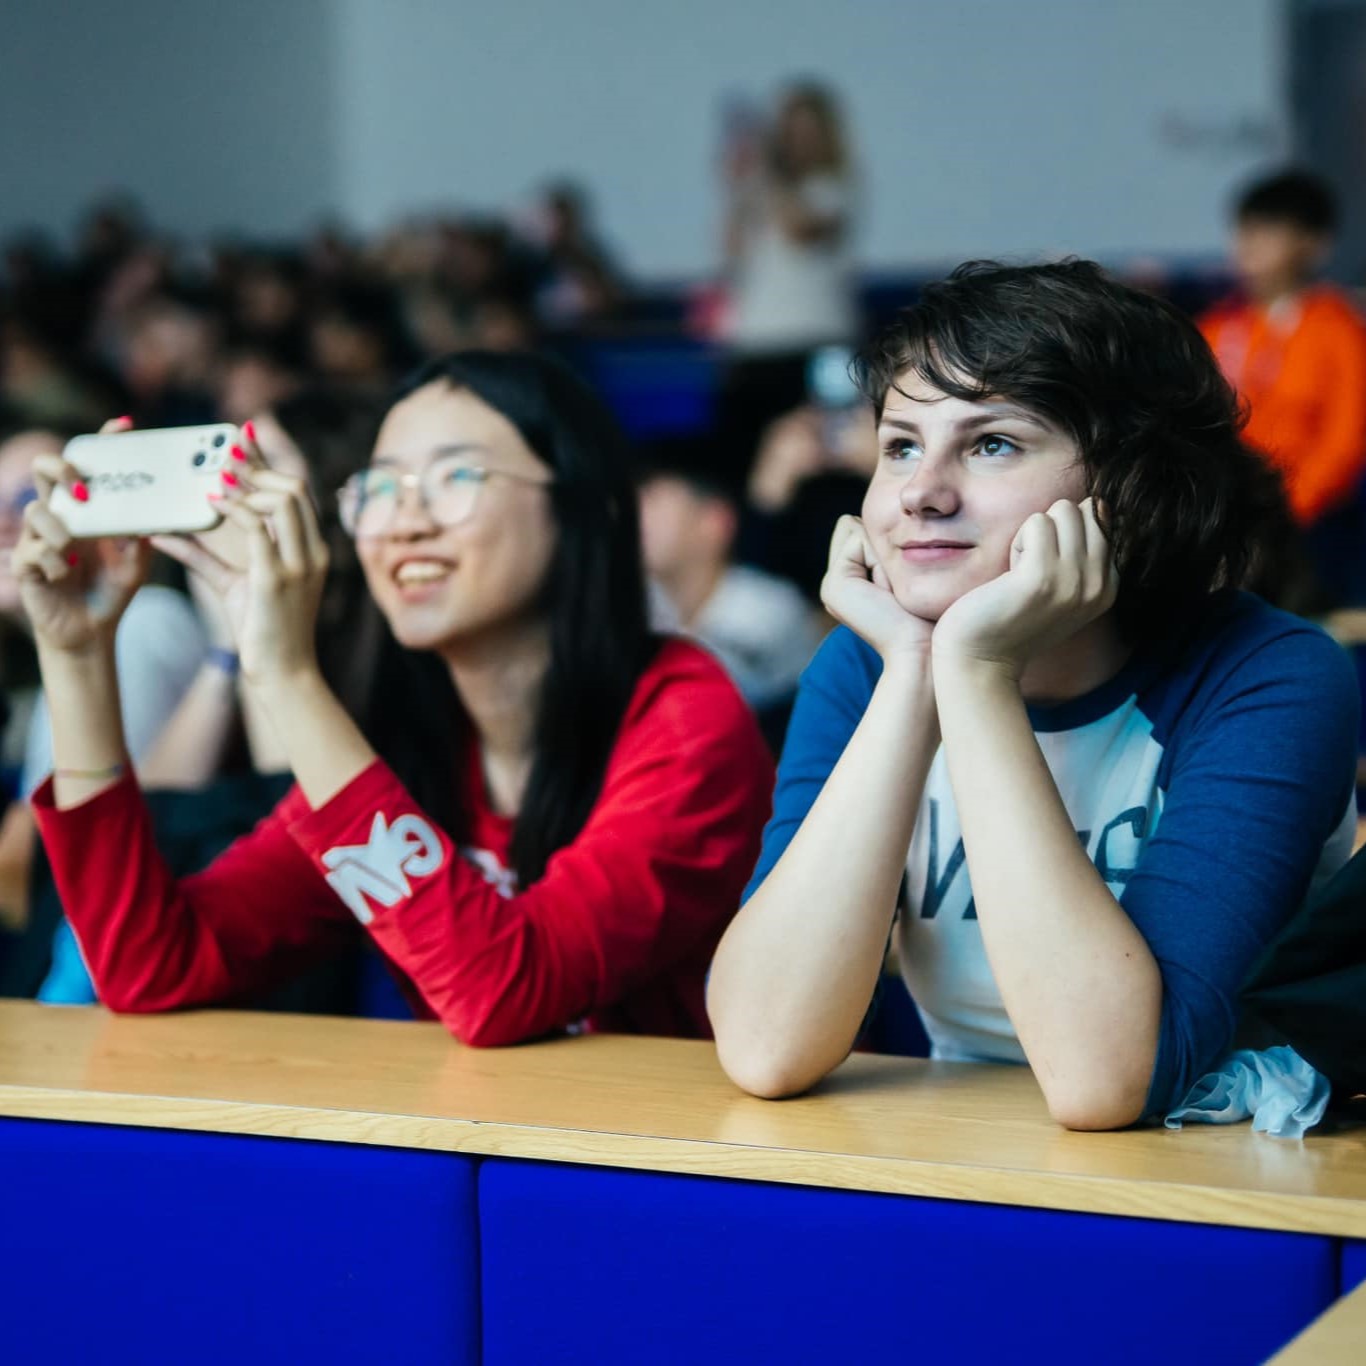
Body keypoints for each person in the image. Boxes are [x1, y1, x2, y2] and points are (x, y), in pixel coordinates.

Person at [707, 260, 1358, 1131]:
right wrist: (913, 668)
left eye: (992, 444)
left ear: (1131, 486)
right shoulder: (866, 668)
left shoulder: (1268, 675)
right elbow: (764, 1044)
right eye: (900, 444)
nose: (920, 495)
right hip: (972, 1158)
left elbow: (1108, 1078)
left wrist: (974, 675)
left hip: (1211, 1180)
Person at [16, 351, 773, 1043]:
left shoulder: (684, 717)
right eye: (380, 487)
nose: (405, 522)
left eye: (457, 477)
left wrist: (285, 672)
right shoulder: (407, 738)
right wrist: (77, 655)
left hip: (696, 1165)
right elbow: (151, 965)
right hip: (490, 1153)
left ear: (587, 510)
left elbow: (507, 989)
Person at [1199, 170, 1366, 536]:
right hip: (1226, 522)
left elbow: (1347, 438)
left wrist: (1289, 509)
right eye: (1245, 229)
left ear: (1313, 244)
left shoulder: (1340, 331)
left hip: (1314, 530)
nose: (1250, 244)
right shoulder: (1215, 328)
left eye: (1269, 231)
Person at [719, 81, 860, 473]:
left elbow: (801, 230)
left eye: (808, 130)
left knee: (827, 462)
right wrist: (739, 187)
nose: (799, 141)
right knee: (751, 462)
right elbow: (731, 250)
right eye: (791, 130)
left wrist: (765, 171)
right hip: (756, 344)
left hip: (818, 341)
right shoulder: (760, 188)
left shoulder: (835, 187)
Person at [638, 440, 822, 714]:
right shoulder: (630, 603)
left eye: (653, 503)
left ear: (715, 522)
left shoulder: (770, 611)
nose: (635, 520)